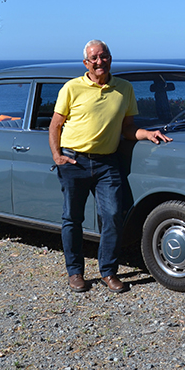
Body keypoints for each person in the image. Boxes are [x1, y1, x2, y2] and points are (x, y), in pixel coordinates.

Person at [49, 39, 171, 293]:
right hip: (74, 161)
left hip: (107, 162)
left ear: (110, 58)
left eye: (103, 56)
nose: (99, 61)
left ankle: (108, 271)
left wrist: (146, 134)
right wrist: (57, 156)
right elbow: (55, 125)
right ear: (86, 63)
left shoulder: (124, 89)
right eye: (93, 58)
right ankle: (75, 273)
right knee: (72, 218)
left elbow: (127, 128)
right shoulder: (71, 88)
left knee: (114, 215)